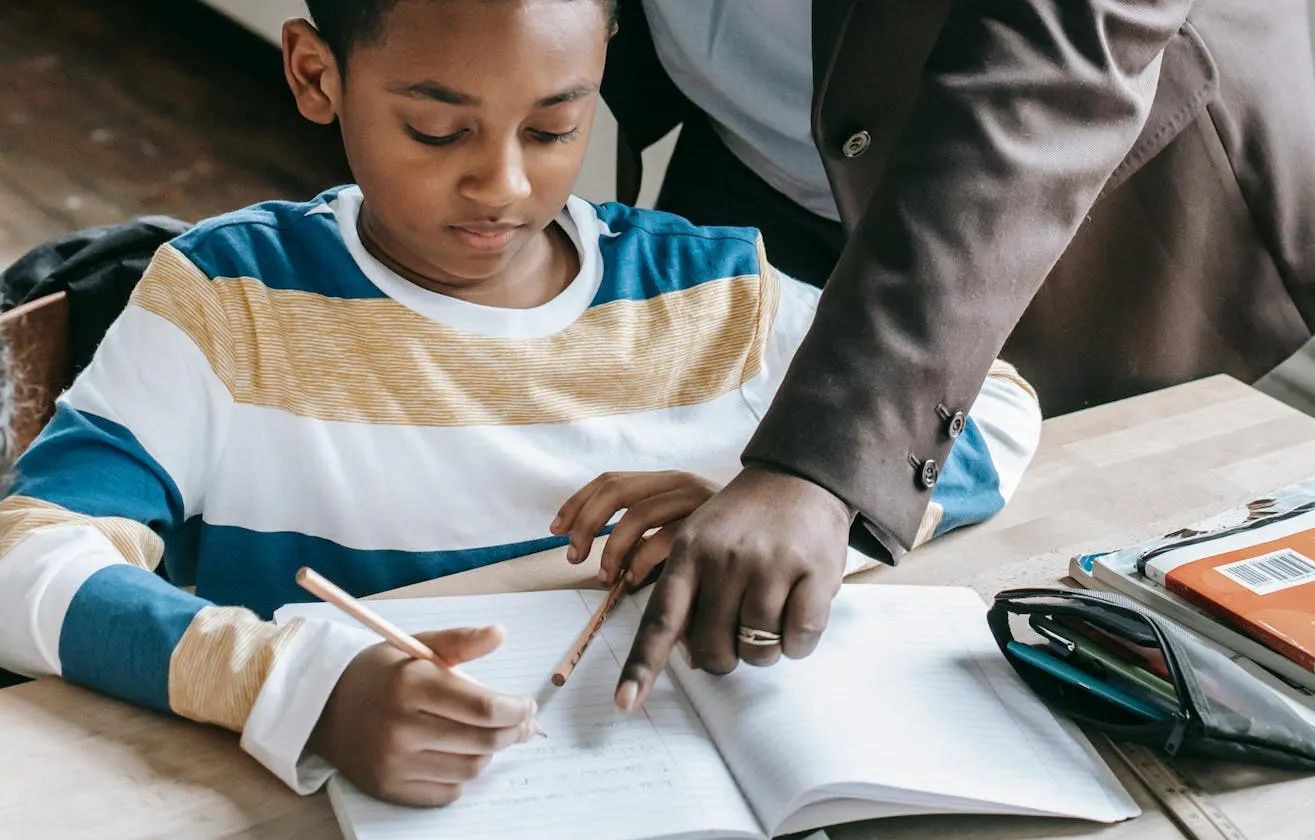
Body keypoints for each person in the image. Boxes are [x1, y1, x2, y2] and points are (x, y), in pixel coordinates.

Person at [0, 0, 1041, 808]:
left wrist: (778, 504)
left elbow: (989, 408)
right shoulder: (230, 302)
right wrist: (296, 689)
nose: (500, 184)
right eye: (435, 130)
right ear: (317, 74)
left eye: (554, 127)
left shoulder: (710, 290)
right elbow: (25, 563)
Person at [597, 0, 1315, 706]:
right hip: (749, 146)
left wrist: (820, 466)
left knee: (1039, 642)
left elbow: (1050, 67)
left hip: (1061, 213)